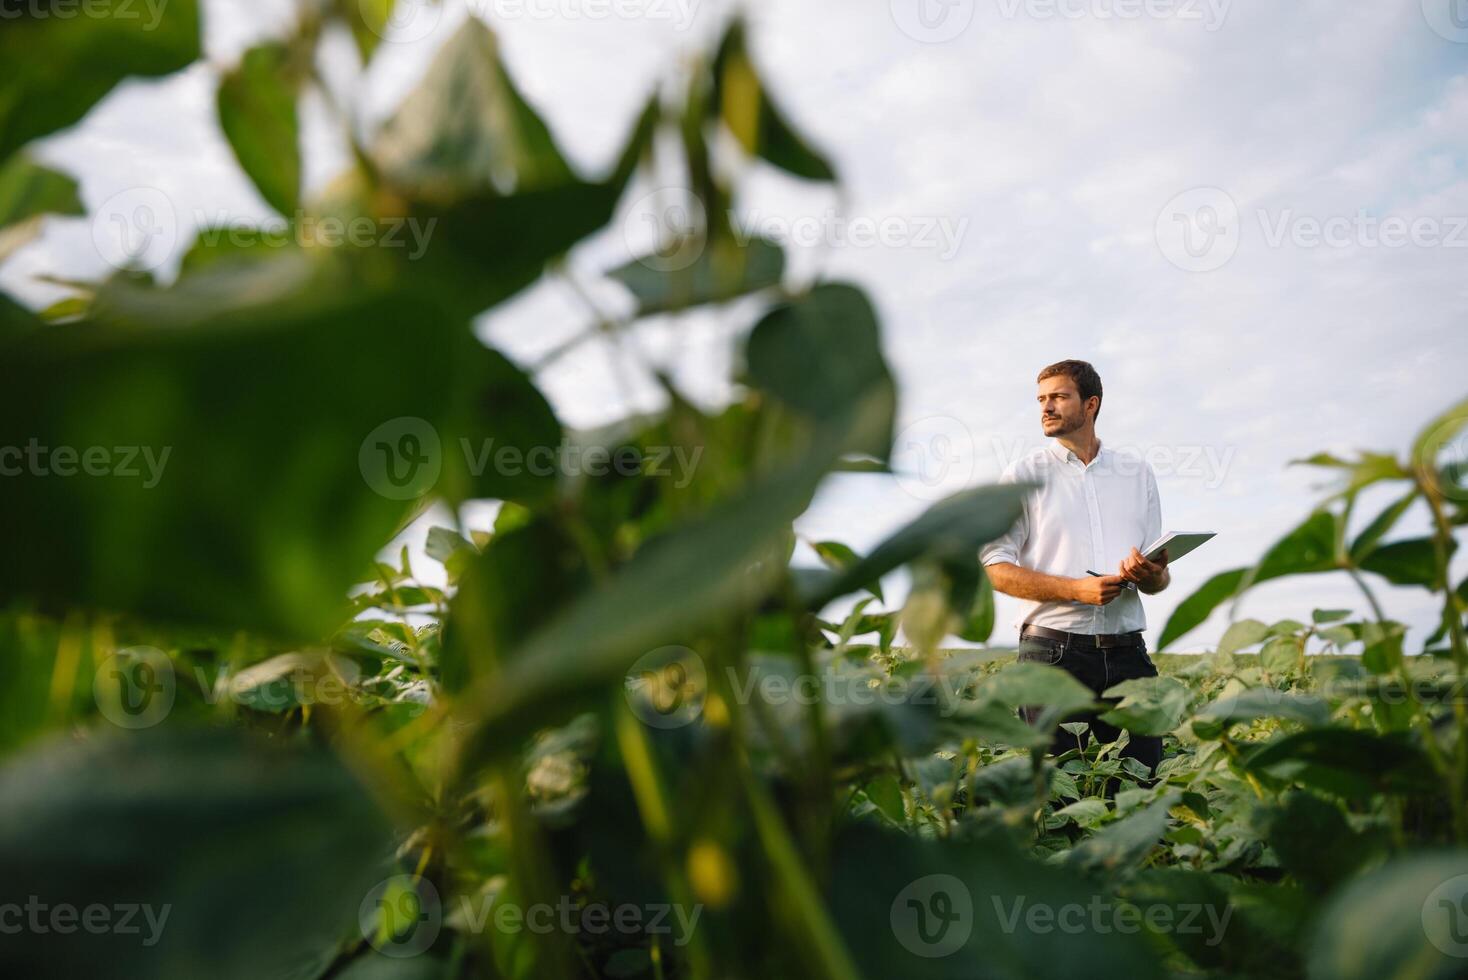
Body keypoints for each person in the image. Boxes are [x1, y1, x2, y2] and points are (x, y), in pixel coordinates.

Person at [979, 359, 1170, 772]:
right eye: (1041, 399)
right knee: (1059, 798)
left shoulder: (1137, 474)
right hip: (1052, 657)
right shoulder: (1023, 475)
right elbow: (994, 567)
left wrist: (1153, 575)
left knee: (1143, 786)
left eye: (1059, 397)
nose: (1046, 407)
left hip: (1129, 657)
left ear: (1090, 404)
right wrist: (1075, 590)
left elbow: (1158, 580)